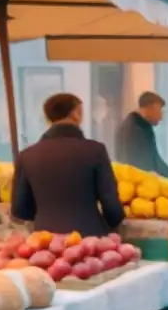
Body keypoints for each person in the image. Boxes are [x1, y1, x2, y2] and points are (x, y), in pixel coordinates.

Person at [11, 93, 125, 236]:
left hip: (45, 241)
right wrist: (115, 222)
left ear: (48, 118)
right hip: (90, 239)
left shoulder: (27, 155)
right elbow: (111, 206)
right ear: (76, 113)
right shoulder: (95, 150)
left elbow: (20, 210)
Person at [114, 90, 168, 176]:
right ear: (148, 108)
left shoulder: (141, 126)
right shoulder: (134, 129)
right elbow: (141, 167)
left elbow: (155, 159)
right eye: (159, 110)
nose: (161, 117)